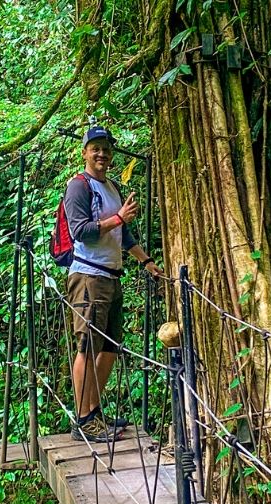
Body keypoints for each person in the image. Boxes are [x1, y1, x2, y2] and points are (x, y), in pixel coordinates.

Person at [64, 125, 163, 442]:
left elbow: (123, 234)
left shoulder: (112, 187)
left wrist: (145, 261)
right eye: (95, 148)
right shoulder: (78, 187)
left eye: (106, 149)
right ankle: (83, 420)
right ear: (84, 152)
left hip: (112, 276)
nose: (102, 154)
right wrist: (118, 217)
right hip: (89, 277)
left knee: (109, 347)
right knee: (87, 346)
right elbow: (81, 231)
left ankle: (94, 412)